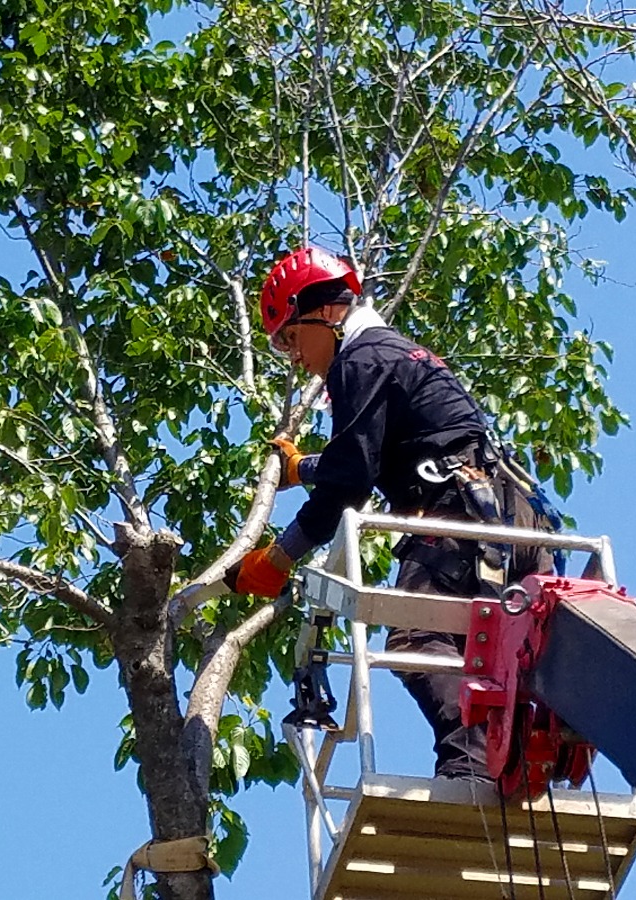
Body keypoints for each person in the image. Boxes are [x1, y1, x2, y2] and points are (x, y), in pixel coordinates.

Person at [223, 245, 552, 781]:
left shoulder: (360, 360)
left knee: (416, 636)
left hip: (457, 514)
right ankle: (511, 757)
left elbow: (350, 485)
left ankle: (471, 766)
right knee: (490, 646)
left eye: (291, 338)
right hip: (508, 514)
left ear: (325, 312)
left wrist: (279, 558)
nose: (294, 357)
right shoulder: (390, 354)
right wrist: (304, 468)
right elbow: (370, 455)